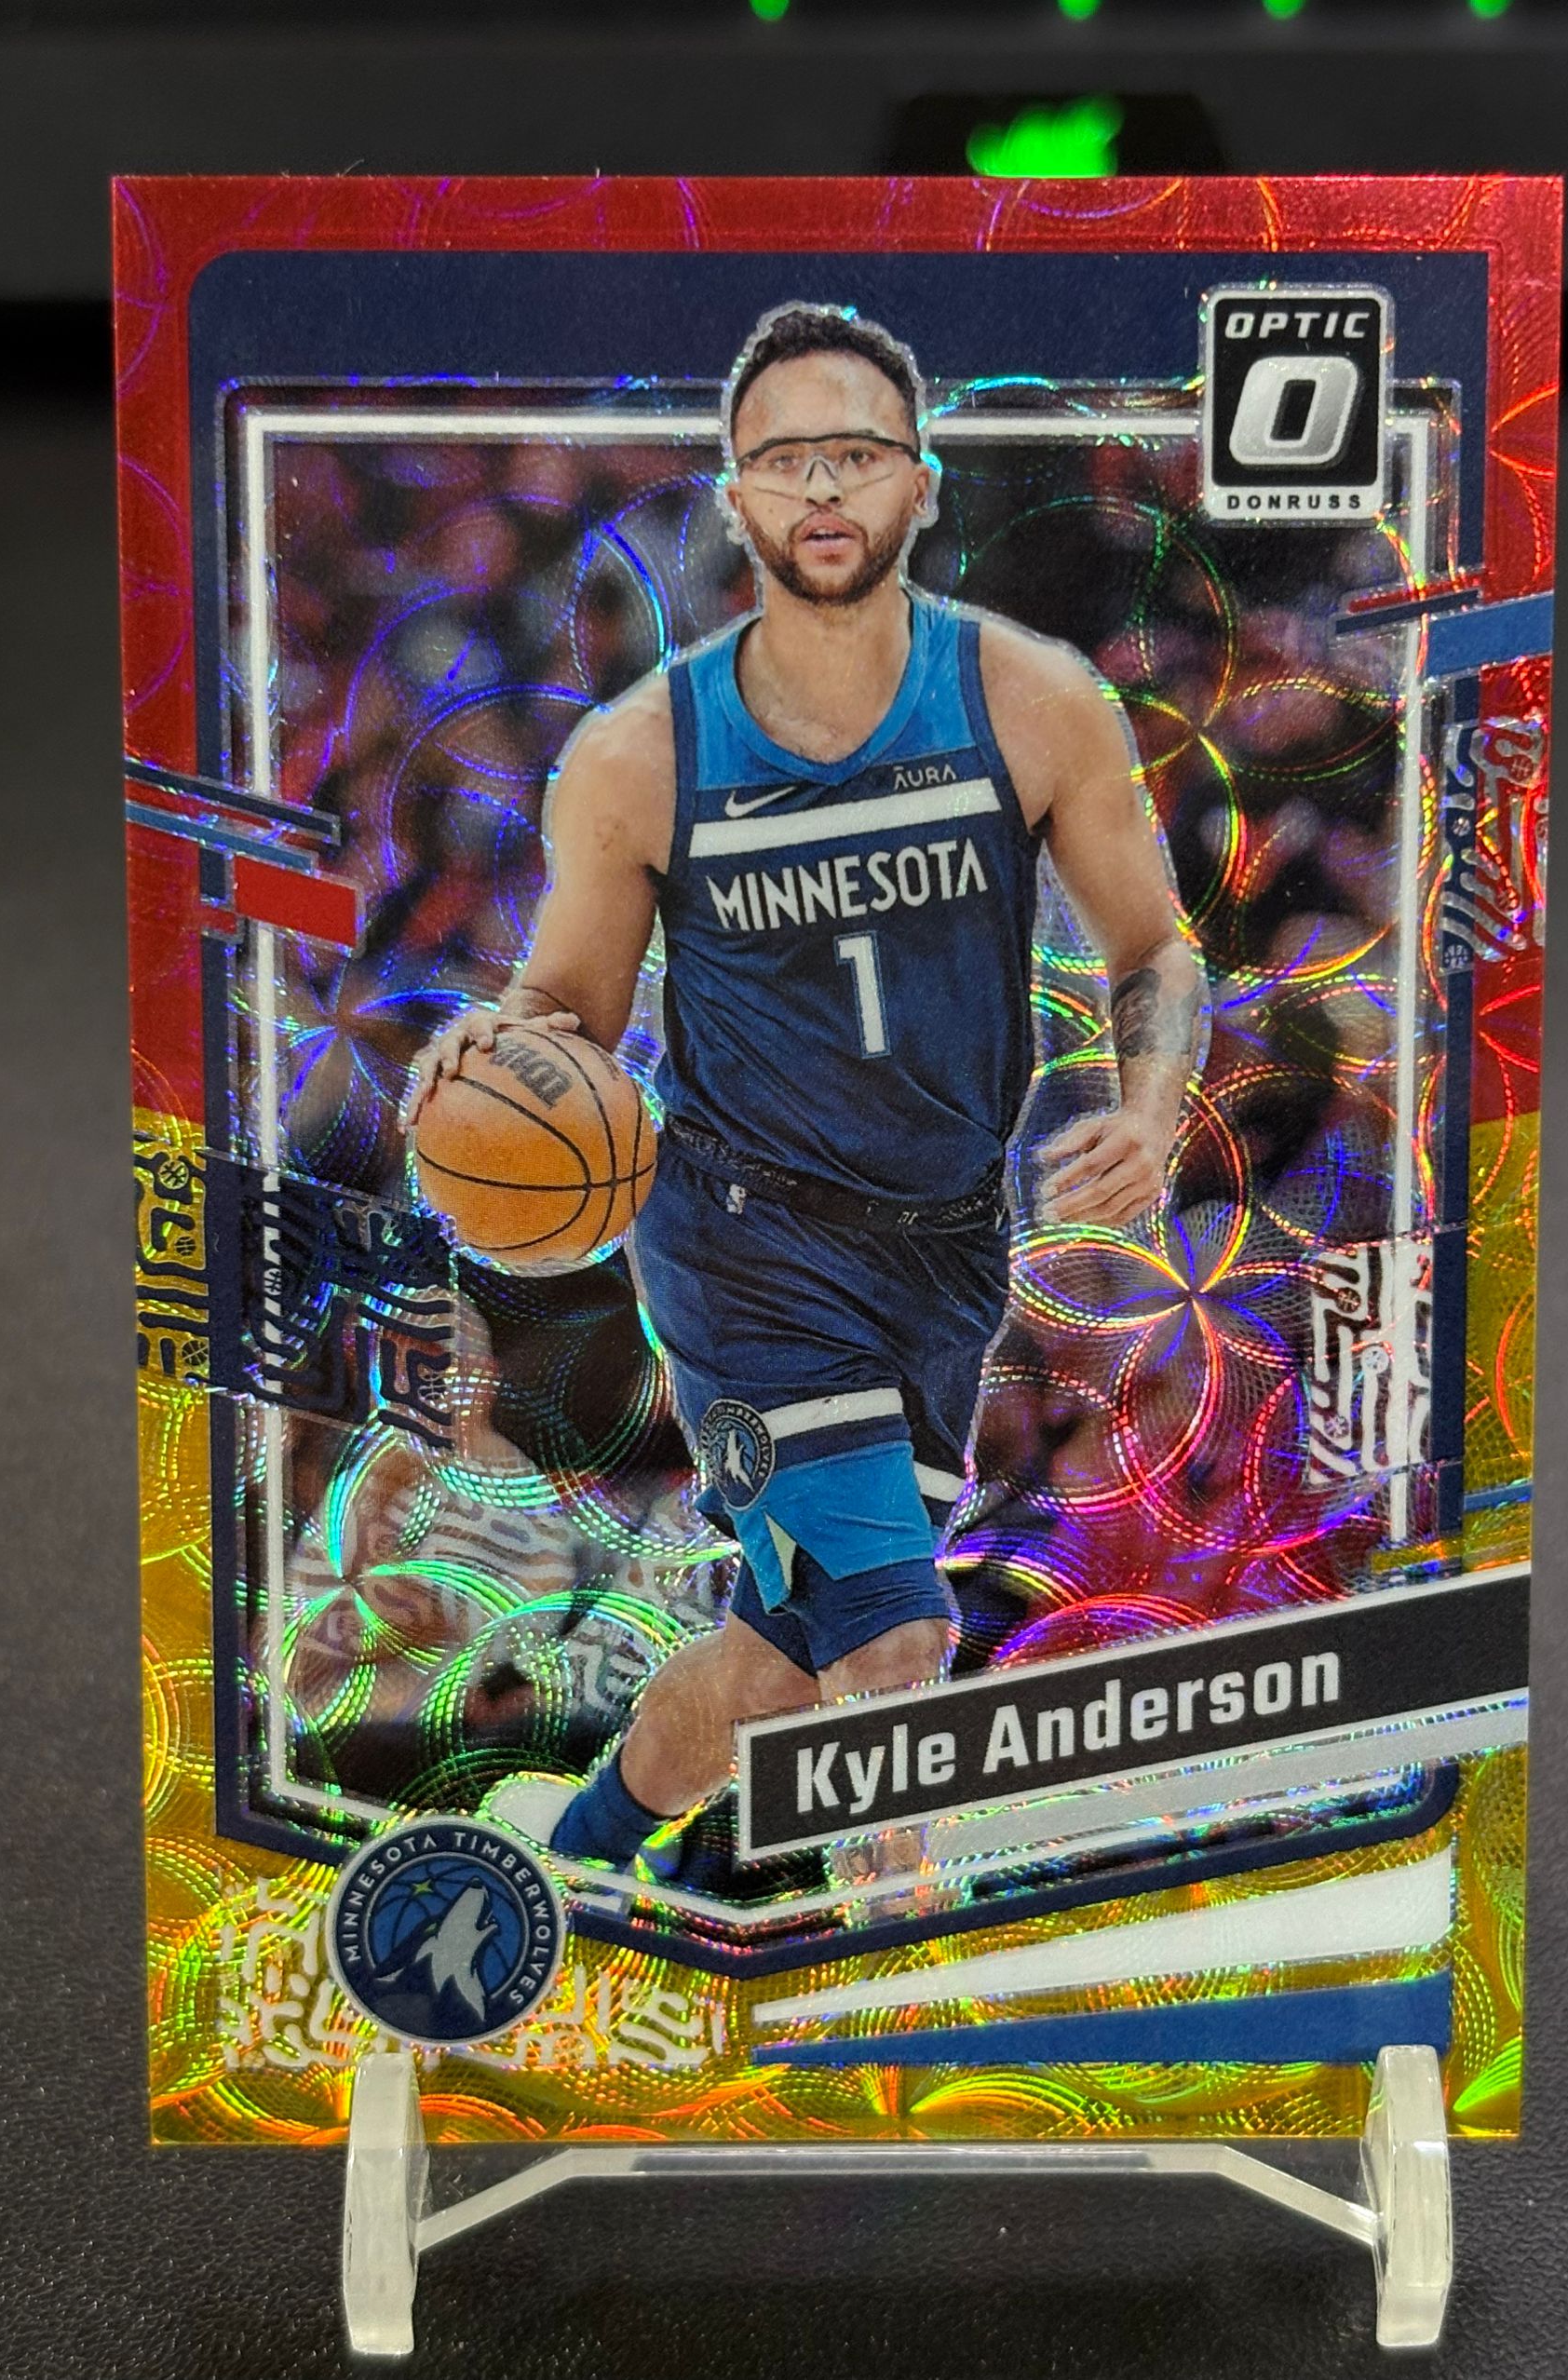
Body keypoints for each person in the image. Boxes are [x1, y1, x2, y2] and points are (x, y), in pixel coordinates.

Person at [404, 302, 1203, 1873]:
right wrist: (487, 1048)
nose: (821, 488)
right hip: (745, 1245)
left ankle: (576, 1855)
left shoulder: (1033, 698)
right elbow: (569, 1004)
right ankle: (889, 1983)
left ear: (921, 482)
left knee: (777, 1659)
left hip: (945, 1247)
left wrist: (1150, 1101)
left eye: (855, 453)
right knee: (894, 1646)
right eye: (784, 459)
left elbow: (1153, 947)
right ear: (735, 496)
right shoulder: (639, 752)